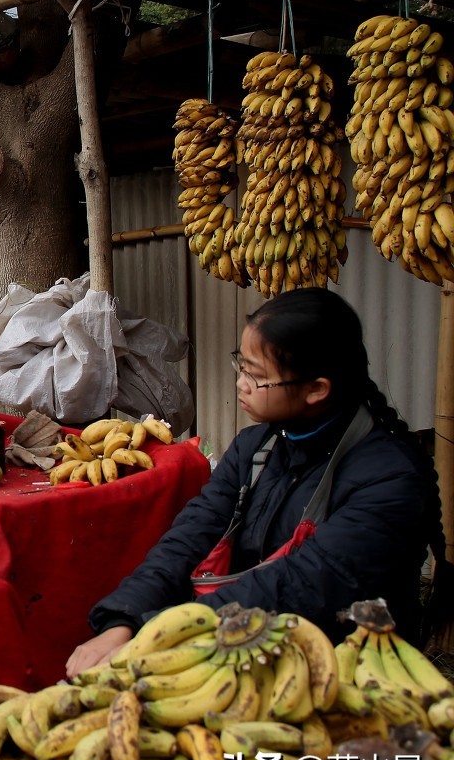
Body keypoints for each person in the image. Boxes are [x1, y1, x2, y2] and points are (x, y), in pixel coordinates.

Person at [65, 289, 441, 677]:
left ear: (317, 389)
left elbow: (303, 586)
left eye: (256, 376)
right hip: (241, 645)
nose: (241, 384)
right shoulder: (254, 448)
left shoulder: (390, 479)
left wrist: (155, 632)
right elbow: (190, 537)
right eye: (240, 366)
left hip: (342, 673)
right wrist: (123, 618)